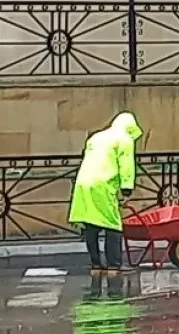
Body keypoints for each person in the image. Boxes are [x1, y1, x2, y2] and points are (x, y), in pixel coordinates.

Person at [68, 111, 143, 291]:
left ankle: (96, 265)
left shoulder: (96, 137)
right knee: (112, 226)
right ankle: (113, 266)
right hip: (103, 185)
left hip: (83, 184)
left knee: (91, 224)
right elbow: (126, 165)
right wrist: (126, 189)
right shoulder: (124, 139)